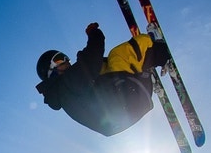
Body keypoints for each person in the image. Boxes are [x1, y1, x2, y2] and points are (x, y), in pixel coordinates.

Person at [35, 22, 170, 136]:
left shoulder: (66, 96)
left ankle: (146, 75)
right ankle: (158, 47)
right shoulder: (67, 82)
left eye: (65, 57)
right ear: (52, 71)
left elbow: (95, 65)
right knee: (117, 56)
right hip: (128, 96)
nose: (66, 60)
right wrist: (94, 34)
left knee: (104, 67)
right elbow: (93, 54)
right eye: (59, 59)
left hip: (127, 109)